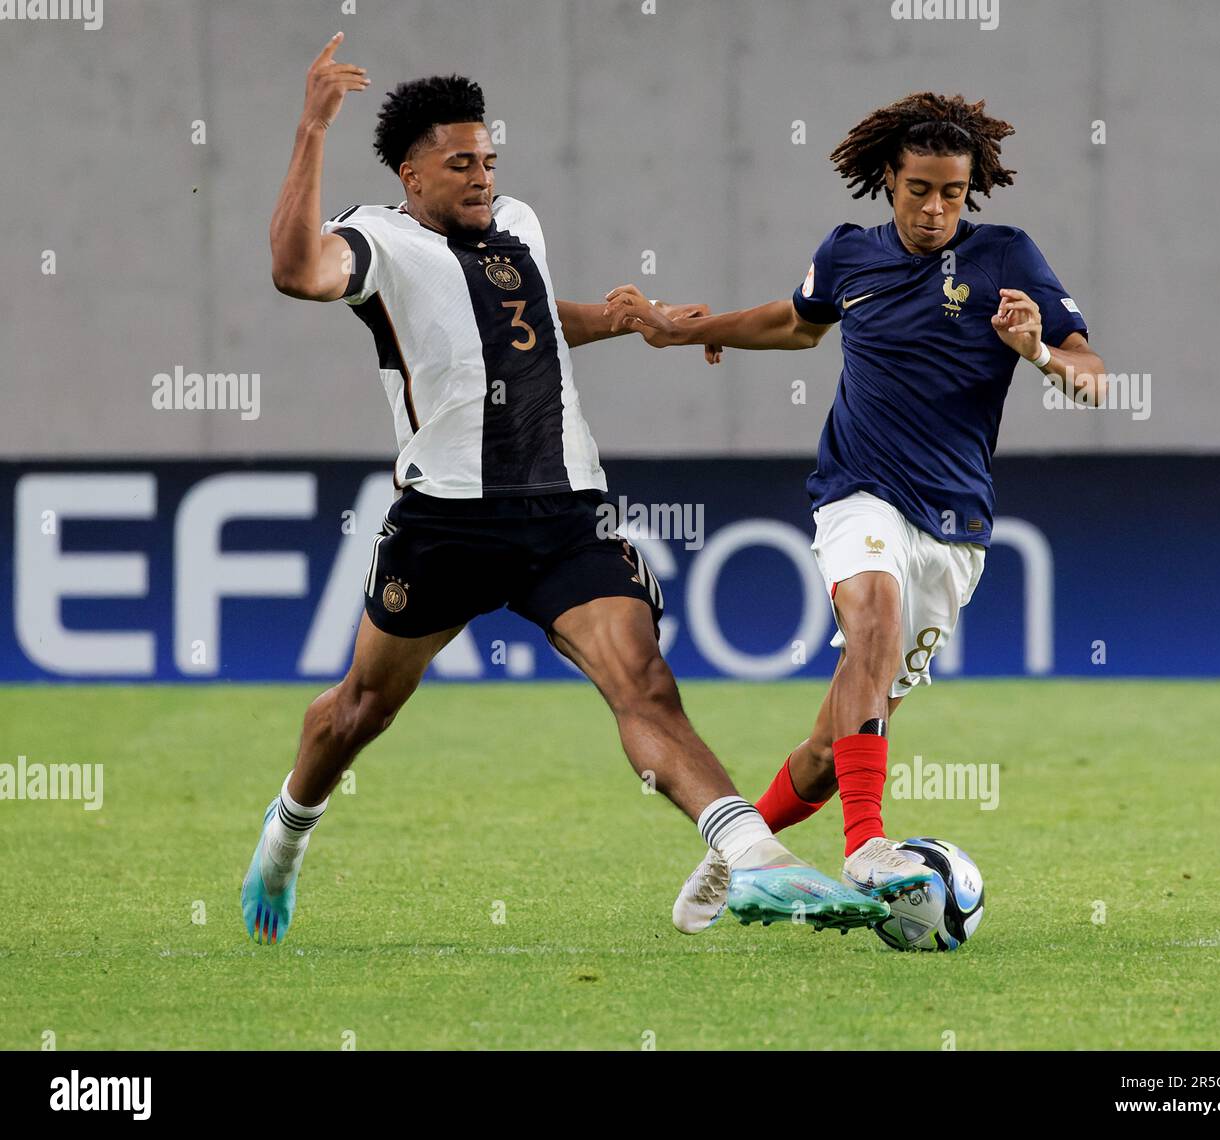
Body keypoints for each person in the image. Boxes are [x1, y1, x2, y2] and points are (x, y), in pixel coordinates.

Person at [241, 34, 891, 945]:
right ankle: (285, 835)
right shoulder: (374, 241)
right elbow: (292, 270)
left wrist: (624, 319)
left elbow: (535, 325)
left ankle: (755, 858)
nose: (480, 175)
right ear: (409, 174)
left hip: (565, 513)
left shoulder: (521, 226)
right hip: (447, 523)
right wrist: (311, 128)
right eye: (458, 162)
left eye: (489, 158)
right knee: (361, 709)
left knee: (644, 683)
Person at [603, 92, 1106, 933]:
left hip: (955, 532)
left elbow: (1095, 378)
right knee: (871, 610)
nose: (936, 207)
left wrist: (1040, 350)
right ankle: (867, 845)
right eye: (919, 189)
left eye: (953, 191)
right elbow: (795, 323)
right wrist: (684, 330)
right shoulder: (848, 255)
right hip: (857, 491)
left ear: (973, 188)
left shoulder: (1008, 258)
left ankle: (740, 846)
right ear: (888, 180)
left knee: (830, 750)